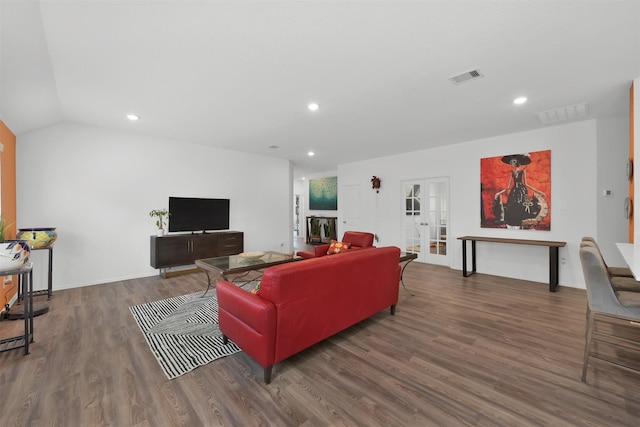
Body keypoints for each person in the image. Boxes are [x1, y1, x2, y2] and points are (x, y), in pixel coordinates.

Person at [494, 153, 546, 228]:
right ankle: (514, 222)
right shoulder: (512, 173)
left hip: (522, 190)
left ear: (518, 162)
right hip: (514, 191)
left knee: (524, 205)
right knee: (512, 205)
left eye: (514, 161)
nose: (512, 163)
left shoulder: (522, 171)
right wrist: (498, 193)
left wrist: (539, 192)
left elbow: (527, 184)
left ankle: (523, 222)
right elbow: (508, 187)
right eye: (511, 162)